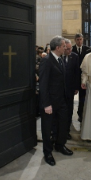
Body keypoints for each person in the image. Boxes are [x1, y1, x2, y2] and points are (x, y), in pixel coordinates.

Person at [39, 36, 73, 166]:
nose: (66, 48)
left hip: (62, 101)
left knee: (63, 125)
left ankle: (60, 145)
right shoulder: (46, 61)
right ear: (58, 47)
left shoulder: (60, 59)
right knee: (47, 129)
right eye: (64, 46)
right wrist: (46, 104)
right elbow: (43, 84)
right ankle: (47, 152)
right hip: (50, 103)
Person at [63, 39, 80, 139]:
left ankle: (67, 131)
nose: (70, 51)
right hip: (60, 90)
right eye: (67, 49)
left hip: (70, 89)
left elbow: (76, 72)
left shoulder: (75, 57)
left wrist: (76, 87)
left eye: (71, 49)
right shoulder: (59, 57)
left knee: (69, 110)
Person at [72, 33, 89, 122]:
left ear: (83, 40)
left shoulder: (87, 49)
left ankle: (81, 114)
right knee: (72, 96)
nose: (79, 41)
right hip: (74, 76)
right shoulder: (72, 49)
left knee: (83, 97)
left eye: (80, 39)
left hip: (84, 76)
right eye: (77, 39)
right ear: (75, 40)